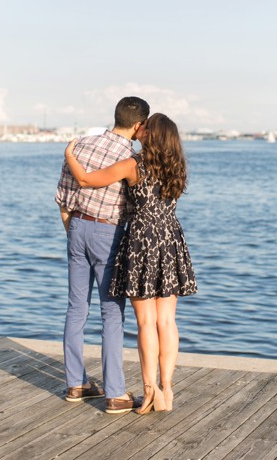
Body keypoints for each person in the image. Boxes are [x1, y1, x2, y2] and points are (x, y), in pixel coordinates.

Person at [64, 112, 197, 414]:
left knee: (145, 322)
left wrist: (69, 154)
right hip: (170, 238)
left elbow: (85, 180)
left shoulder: (134, 165)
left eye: (145, 129)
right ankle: (168, 387)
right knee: (167, 321)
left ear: (149, 134)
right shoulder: (177, 166)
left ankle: (149, 391)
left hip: (142, 240)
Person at [55, 96, 149, 415]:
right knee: (112, 311)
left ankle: (75, 384)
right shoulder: (131, 158)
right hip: (109, 233)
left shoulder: (81, 146)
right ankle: (115, 393)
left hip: (76, 225)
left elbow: (63, 195)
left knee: (76, 307)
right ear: (138, 125)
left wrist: (73, 230)